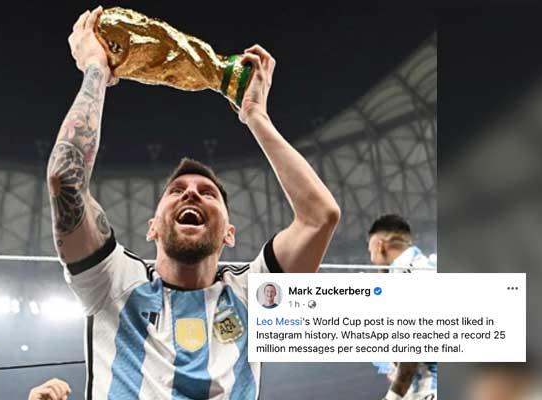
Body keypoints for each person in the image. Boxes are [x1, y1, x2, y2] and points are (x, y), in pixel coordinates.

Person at [43, 6, 340, 400]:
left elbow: (320, 217)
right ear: (152, 228)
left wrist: (255, 116)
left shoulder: (252, 294)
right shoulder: (113, 283)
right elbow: (66, 179)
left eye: (208, 193)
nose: (192, 193)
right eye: (177, 190)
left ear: (229, 234)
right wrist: (96, 69)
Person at [368, 214, 437, 400]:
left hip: (427, 390)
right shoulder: (431, 266)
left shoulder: (400, 279)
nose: (372, 260)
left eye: (370, 251)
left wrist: (392, 398)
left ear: (380, 245)